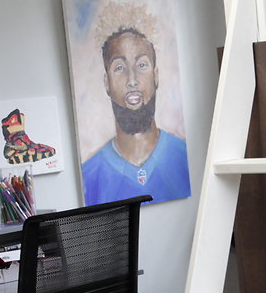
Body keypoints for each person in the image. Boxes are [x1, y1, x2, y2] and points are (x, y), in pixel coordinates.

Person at [80, 25, 192, 205]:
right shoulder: (89, 175)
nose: (132, 80)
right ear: (107, 83)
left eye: (141, 65)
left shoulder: (183, 155)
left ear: (156, 76)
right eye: (119, 68)